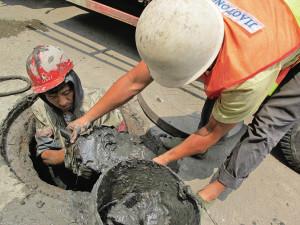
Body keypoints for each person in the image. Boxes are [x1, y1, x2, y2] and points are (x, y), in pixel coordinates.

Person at [67, 0, 300, 204]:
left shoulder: (247, 78)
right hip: (272, 15)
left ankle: (216, 188)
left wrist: (160, 161)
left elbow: (211, 131)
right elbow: (133, 80)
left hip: (285, 39)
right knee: (220, 100)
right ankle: (195, 150)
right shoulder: (191, 20)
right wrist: (85, 119)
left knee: (269, 125)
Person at [26, 45, 125, 187]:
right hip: (67, 175)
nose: (62, 102)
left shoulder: (98, 103)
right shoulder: (41, 109)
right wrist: (71, 155)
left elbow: (122, 144)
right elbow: (45, 156)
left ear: (74, 83)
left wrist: (92, 155)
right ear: (43, 96)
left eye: (66, 93)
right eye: (52, 96)